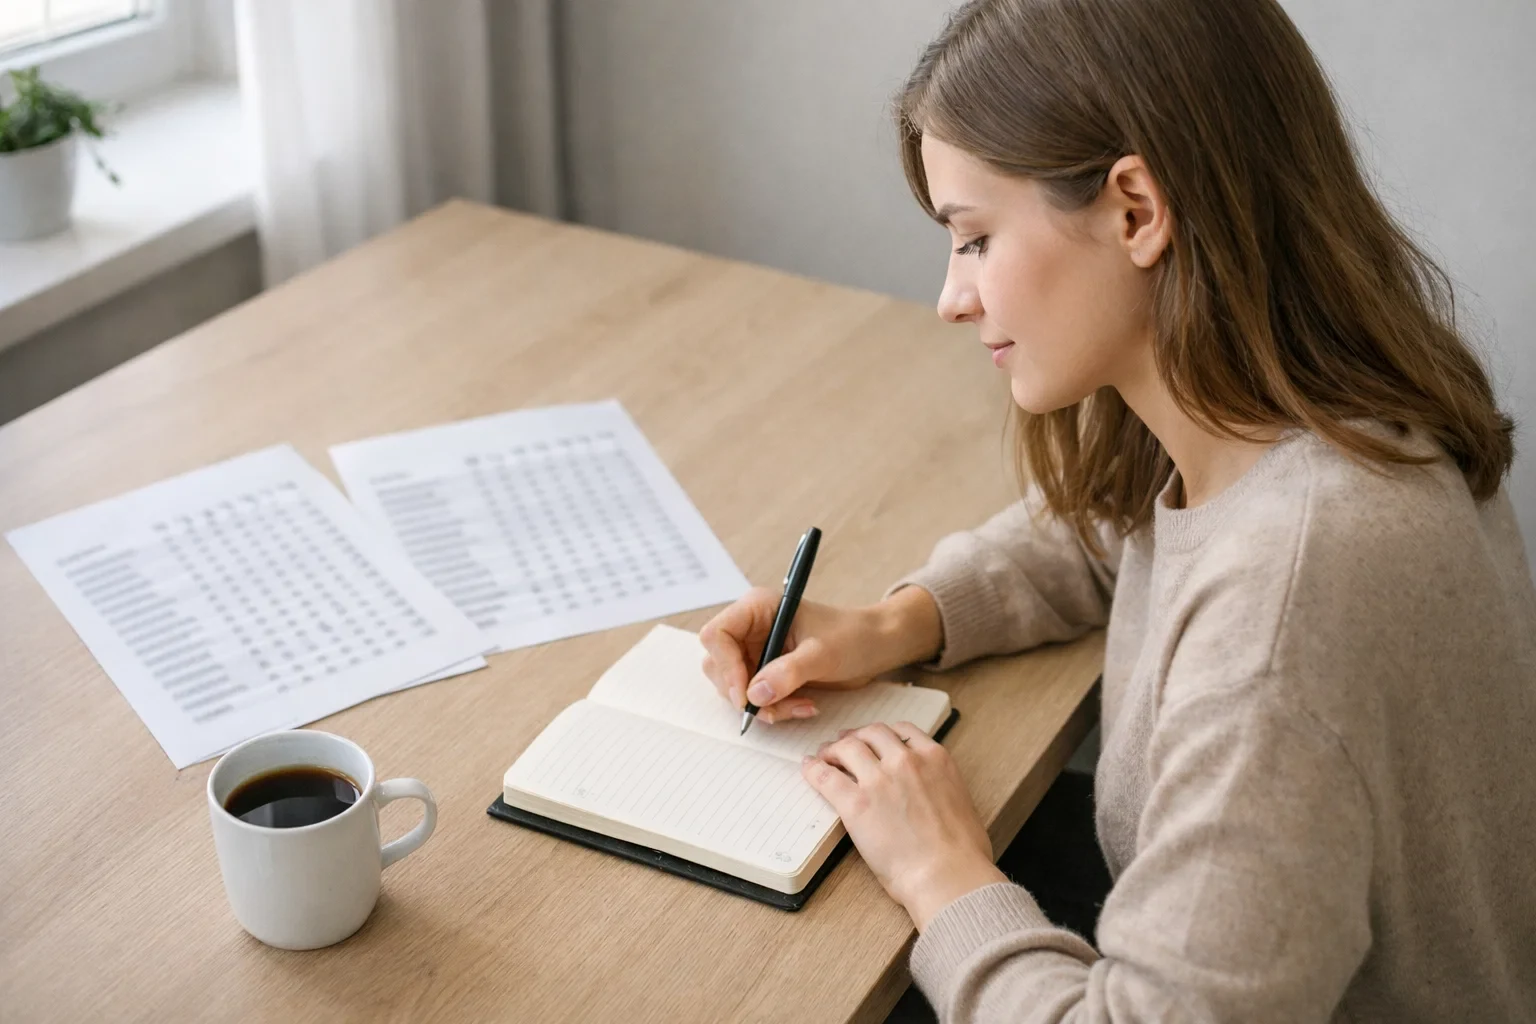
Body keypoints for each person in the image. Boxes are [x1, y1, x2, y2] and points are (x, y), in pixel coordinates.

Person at [698, 0, 1536, 1020]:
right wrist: (897, 621)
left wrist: (945, 875)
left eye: (974, 239)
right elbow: (1120, 527)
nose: (950, 298)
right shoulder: (1325, 415)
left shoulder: (1291, 598)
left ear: (1136, 210)